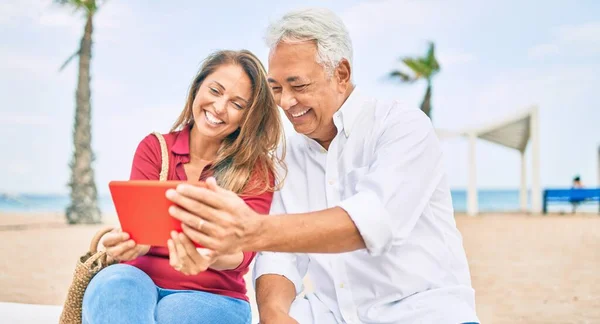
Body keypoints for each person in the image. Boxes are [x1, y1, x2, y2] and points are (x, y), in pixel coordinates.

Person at [166, 8, 480, 324]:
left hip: (424, 312)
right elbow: (279, 256)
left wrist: (250, 230)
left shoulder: (401, 126)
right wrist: (274, 313)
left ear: (341, 74)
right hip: (328, 314)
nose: (285, 101)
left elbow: (373, 221)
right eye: (276, 88)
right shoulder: (288, 158)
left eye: (298, 86)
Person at [81, 49, 284, 324]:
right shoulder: (154, 149)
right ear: (198, 87)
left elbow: (241, 256)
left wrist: (209, 254)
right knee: (113, 283)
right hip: (138, 280)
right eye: (215, 90)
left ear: (248, 117)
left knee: (170, 316)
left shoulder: (256, 172)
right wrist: (129, 244)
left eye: (237, 104)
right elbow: (139, 233)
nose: (220, 107)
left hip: (214, 296)